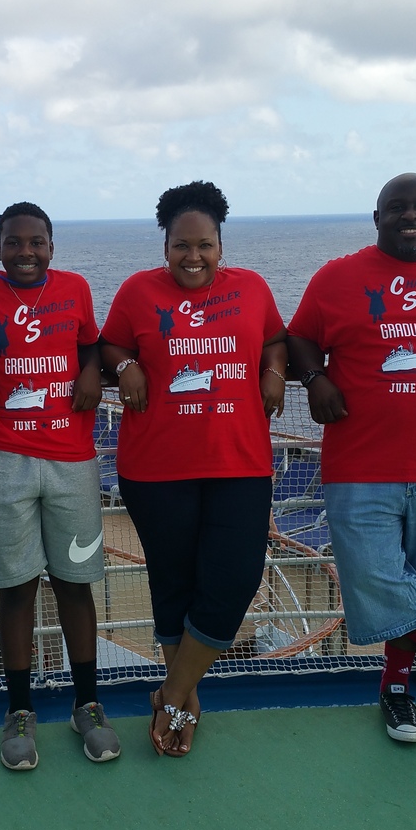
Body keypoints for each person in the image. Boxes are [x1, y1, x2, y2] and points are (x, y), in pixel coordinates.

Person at [287, 173, 416, 743]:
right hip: (360, 462)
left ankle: (398, 686)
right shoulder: (337, 278)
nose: (410, 216)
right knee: (375, 574)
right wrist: (314, 378)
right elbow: (300, 337)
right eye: (397, 207)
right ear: (376, 216)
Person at [101, 180, 287, 755]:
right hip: (155, 467)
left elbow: (276, 340)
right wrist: (127, 361)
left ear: (221, 244)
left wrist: (275, 373)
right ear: (165, 246)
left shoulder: (252, 289)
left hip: (240, 461)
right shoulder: (137, 292)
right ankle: (185, 697)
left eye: (205, 244)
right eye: (182, 245)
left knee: (235, 578)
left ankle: (176, 689)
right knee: (173, 581)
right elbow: (107, 347)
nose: (193, 257)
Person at [0, 201, 121, 768]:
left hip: (72, 459)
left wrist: (93, 370)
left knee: (75, 584)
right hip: (6, 458)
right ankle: (19, 709)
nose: (25, 252)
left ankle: (88, 703)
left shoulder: (75, 288)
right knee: (16, 587)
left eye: (36, 243)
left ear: (52, 247)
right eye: (13, 243)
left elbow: (91, 343)